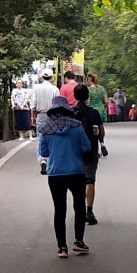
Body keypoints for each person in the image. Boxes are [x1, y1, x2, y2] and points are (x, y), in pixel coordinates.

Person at [36, 96, 95, 257]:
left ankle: (62, 247)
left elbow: (44, 152)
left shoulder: (45, 128)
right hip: (76, 171)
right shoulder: (77, 126)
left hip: (55, 173)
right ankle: (79, 242)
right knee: (79, 206)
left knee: (59, 209)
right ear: (67, 110)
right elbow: (86, 147)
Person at [72, 83, 106, 226]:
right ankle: (89, 211)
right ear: (88, 96)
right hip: (91, 150)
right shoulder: (94, 113)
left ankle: (78, 210)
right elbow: (101, 131)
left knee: (77, 183)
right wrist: (101, 143)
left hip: (74, 152)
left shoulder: (71, 113)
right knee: (90, 181)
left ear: (74, 96)